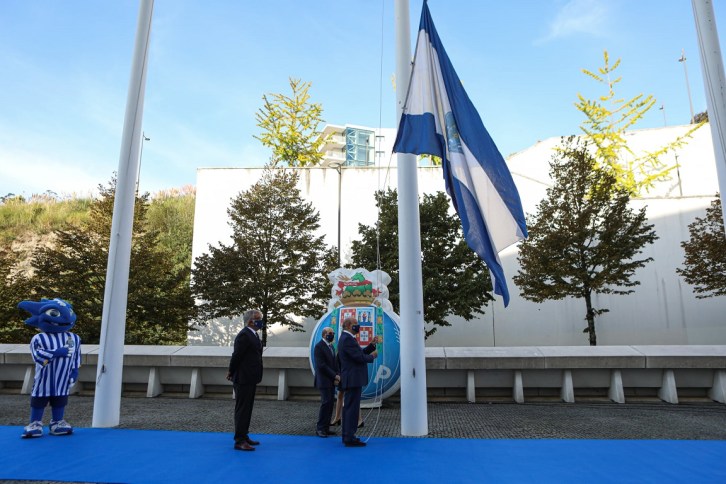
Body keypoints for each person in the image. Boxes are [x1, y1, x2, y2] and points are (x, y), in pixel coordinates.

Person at [227, 309, 264, 452]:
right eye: (258, 319)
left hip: (251, 377)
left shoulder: (253, 335)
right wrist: (231, 371)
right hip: (243, 378)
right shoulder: (244, 335)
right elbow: (236, 355)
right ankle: (239, 440)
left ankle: (244, 435)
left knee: (247, 409)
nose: (260, 321)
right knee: (242, 409)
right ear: (250, 321)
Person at [337, 316, 377, 447]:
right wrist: (372, 357)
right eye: (356, 323)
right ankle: (349, 437)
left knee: (350, 408)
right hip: (352, 378)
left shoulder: (348, 338)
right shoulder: (347, 339)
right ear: (349, 326)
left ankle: (348, 436)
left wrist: (371, 345)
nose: (358, 326)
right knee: (351, 409)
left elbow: (359, 352)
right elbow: (359, 357)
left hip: (352, 378)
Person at [313, 327, 339, 438]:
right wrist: (335, 375)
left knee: (330, 404)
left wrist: (336, 375)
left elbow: (334, 363)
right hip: (323, 380)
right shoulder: (319, 347)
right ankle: (320, 428)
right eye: (330, 333)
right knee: (325, 403)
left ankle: (326, 428)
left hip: (331, 380)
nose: (332, 335)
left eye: (333, 333)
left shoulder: (331, 346)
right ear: (324, 335)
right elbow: (321, 365)